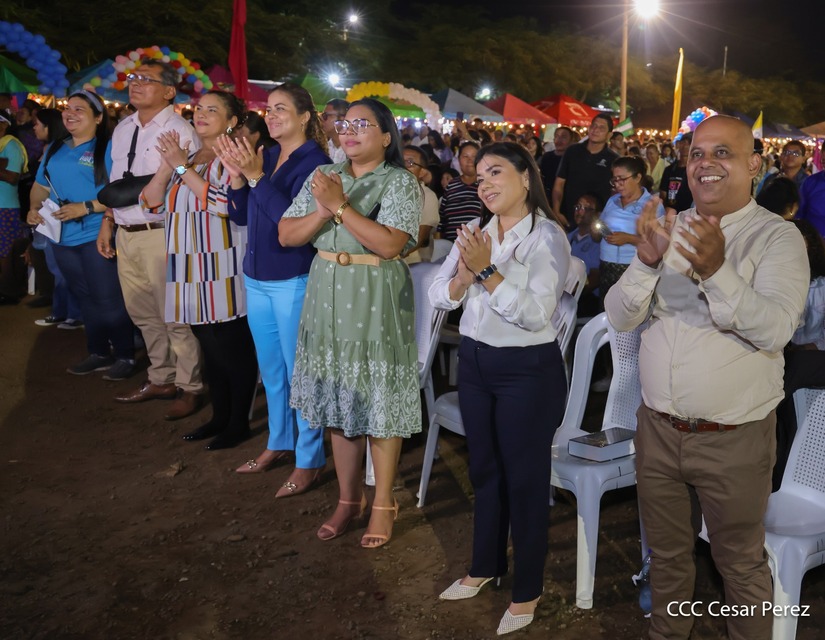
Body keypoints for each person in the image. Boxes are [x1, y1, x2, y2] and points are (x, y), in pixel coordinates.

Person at [605, 115, 809, 640]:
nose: (706, 164)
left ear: (753, 165)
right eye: (697, 153)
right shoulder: (669, 230)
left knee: (739, 563)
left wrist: (719, 272)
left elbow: (774, 329)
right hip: (658, 429)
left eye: (723, 153)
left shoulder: (777, 238)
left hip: (733, 439)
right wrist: (647, 264)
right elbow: (620, 318)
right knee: (669, 558)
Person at [430, 142, 569, 636]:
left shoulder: (547, 238)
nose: (485, 182)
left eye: (497, 173)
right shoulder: (476, 232)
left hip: (526, 371)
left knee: (526, 481)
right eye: (480, 175)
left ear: (527, 178)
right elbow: (436, 292)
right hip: (475, 363)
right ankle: (484, 566)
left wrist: (487, 272)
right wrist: (462, 277)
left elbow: (535, 314)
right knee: (485, 471)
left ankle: (527, 590)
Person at [278, 98, 421, 547]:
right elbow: (286, 234)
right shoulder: (325, 178)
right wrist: (322, 209)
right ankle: (347, 499)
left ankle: (383, 503)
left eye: (364, 123)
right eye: (345, 123)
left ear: (385, 136)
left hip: (375, 297)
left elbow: (391, 245)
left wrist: (340, 210)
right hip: (327, 294)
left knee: (378, 406)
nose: (351, 129)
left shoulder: (399, 182)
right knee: (338, 403)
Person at [216, 83, 330, 484]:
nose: (272, 114)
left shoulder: (316, 163)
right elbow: (242, 217)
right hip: (258, 278)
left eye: (282, 108)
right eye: (269, 108)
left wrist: (256, 177)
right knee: (273, 370)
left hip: (293, 279)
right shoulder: (267, 155)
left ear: (304, 117)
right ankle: (279, 441)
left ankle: (310, 458)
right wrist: (237, 178)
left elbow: (291, 226)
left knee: (302, 373)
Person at [141, 90, 257, 450]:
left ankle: (239, 422)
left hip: (221, 267)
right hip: (187, 266)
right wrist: (168, 165)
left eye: (213, 109)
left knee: (231, 349)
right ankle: (220, 417)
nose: (202, 114)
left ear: (233, 121)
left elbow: (226, 205)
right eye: (199, 108)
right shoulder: (187, 156)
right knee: (209, 350)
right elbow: (150, 203)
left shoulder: (234, 157)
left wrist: (179, 166)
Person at [97, 59, 204, 420]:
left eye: (147, 79)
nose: (136, 84)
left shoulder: (180, 131)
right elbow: (115, 183)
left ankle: (190, 386)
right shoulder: (123, 128)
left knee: (175, 316)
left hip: (163, 233)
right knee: (142, 312)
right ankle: (161, 376)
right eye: (133, 78)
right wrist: (108, 222)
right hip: (127, 232)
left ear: (169, 91)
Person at [27, 91, 136, 379]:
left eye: (80, 109)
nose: (70, 113)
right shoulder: (55, 148)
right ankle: (98, 351)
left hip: (97, 234)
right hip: (61, 237)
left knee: (108, 299)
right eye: (67, 108)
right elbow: (42, 187)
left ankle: (125, 354)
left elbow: (122, 193)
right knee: (85, 298)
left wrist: (86, 208)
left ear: (98, 118)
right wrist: (33, 207)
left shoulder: (110, 149)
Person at [598, 156, 664, 298]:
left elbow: (660, 242)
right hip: (606, 265)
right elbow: (601, 224)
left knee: (630, 310)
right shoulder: (612, 200)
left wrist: (628, 238)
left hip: (633, 267)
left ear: (637, 177)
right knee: (606, 309)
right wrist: (599, 230)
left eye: (622, 179)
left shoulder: (652, 205)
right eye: (614, 180)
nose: (617, 184)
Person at [552, 113, 618, 228]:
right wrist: (556, 212)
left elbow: (616, 192)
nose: (595, 130)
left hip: (597, 222)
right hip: (568, 217)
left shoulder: (614, 159)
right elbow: (559, 184)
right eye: (593, 126)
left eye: (601, 128)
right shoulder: (572, 151)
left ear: (609, 135)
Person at [0, 111, 28, 305]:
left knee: (5, 252)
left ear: (3, 125)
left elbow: (12, 177)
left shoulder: (11, 145)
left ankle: (10, 291)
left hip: (5, 206)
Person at [567, 193, 603, 317]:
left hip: (586, 296)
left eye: (586, 208)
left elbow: (595, 278)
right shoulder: (568, 237)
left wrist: (572, 292)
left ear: (598, 214)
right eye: (578, 207)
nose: (580, 211)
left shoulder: (598, 243)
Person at [402, 144, 439, 263]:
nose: (403, 167)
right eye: (399, 161)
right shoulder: (386, 191)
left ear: (422, 171)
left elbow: (419, 239)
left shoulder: (427, 196)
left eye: (410, 163)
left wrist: (388, 256)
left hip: (411, 262)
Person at [437, 141, 482, 241]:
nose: (470, 160)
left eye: (474, 156)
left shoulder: (486, 184)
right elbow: (442, 218)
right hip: (450, 244)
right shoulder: (451, 185)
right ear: (458, 159)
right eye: (465, 156)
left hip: (478, 244)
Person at [659, 133, 694, 213]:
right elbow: (663, 193)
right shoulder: (669, 169)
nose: (685, 146)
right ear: (678, 144)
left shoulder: (695, 171)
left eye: (689, 143)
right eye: (683, 142)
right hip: (669, 214)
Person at [539, 126, 574, 205]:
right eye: (557, 136)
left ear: (571, 140)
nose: (559, 140)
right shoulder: (546, 157)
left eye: (563, 137)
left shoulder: (573, 160)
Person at [320, 98, 349, 164]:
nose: (321, 119)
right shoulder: (322, 148)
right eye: (322, 116)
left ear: (343, 118)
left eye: (325, 116)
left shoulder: (355, 148)